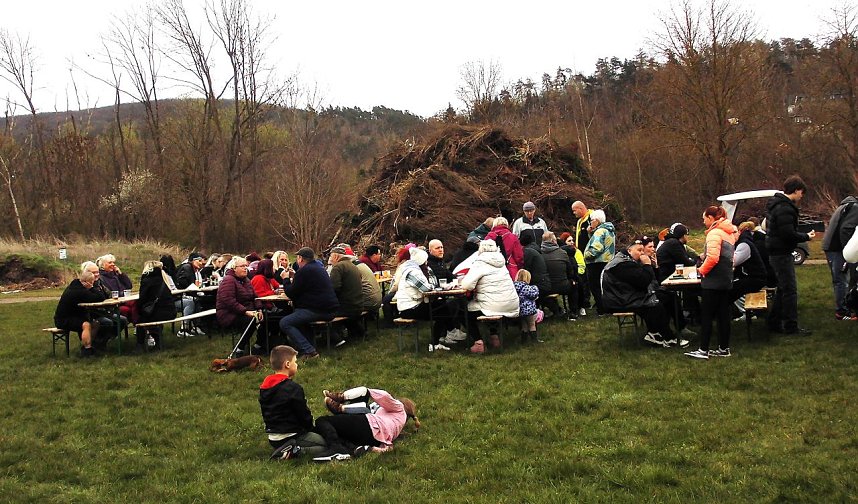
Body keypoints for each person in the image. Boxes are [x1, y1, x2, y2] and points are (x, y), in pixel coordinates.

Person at [602, 238, 677, 347]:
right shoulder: (622, 265)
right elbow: (644, 281)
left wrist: (654, 266)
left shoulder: (629, 261)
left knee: (667, 296)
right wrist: (647, 265)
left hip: (626, 295)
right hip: (619, 300)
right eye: (639, 250)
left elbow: (651, 281)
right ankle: (665, 335)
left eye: (642, 250)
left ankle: (660, 332)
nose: (642, 253)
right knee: (655, 304)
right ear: (629, 251)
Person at [313, 386, 420, 461]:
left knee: (322, 420)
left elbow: (384, 396)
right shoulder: (397, 425)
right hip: (373, 438)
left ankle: (335, 448)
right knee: (340, 430)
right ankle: (350, 449)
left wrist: (369, 391)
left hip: (369, 424)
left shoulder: (399, 408)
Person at [260, 345, 329, 461]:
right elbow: (303, 414)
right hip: (291, 435)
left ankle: (284, 449)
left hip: (274, 437)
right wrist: (310, 428)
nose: (296, 365)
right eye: (295, 362)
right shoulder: (292, 388)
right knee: (326, 444)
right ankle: (293, 451)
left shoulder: (265, 387)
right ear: (287, 364)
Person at [765, 175, 815, 335]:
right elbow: (787, 233)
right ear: (796, 190)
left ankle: (773, 322)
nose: (802, 196)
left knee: (782, 288)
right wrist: (806, 237)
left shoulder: (776, 205)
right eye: (802, 192)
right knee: (790, 290)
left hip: (775, 251)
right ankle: (790, 326)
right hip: (781, 253)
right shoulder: (785, 208)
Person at [685, 206, 736, 360]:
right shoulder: (729, 233)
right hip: (726, 279)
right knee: (723, 315)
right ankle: (723, 348)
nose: (703, 221)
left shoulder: (714, 233)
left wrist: (701, 271)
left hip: (713, 281)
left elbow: (713, 258)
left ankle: (703, 349)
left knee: (707, 315)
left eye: (704, 218)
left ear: (711, 218)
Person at [459, 240, 520, 354]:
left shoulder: (480, 263)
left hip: (493, 305)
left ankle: (478, 342)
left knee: (463, 312)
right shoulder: (501, 263)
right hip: (510, 304)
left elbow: (467, 285)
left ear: (480, 249)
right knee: (488, 306)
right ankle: (494, 336)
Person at [279, 247, 339, 359]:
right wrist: (295, 276)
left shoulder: (305, 271)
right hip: (331, 309)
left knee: (285, 322)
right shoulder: (319, 268)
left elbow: (291, 293)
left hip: (319, 310)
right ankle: (310, 345)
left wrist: (285, 279)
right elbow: (304, 286)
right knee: (299, 313)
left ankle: (309, 351)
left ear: (300, 259)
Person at [394, 247, 455, 352]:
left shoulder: (414, 270)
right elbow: (426, 288)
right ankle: (438, 340)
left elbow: (430, 284)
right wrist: (440, 288)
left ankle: (440, 338)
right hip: (409, 309)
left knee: (441, 307)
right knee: (442, 309)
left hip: (413, 305)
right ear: (422, 261)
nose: (427, 262)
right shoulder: (412, 272)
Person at [655, 223, 699, 336]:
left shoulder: (672, 242)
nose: (687, 238)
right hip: (667, 278)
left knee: (691, 290)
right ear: (682, 235)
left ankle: (695, 317)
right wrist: (697, 262)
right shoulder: (674, 244)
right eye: (687, 235)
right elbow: (686, 262)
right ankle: (683, 325)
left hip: (672, 275)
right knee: (679, 295)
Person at [216, 257, 264, 356]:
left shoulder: (246, 280)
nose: (245, 268)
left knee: (268, 317)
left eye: (246, 266)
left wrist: (259, 309)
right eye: (242, 266)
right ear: (234, 268)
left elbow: (255, 296)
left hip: (247, 311)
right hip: (229, 314)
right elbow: (229, 301)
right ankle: (240, 348)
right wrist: (245, 311)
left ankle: (259, 345)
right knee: (250, 320)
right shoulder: (228, 280)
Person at [821, 195, 858, 320]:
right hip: (836, 248)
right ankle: (842, 312)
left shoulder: (847, 205)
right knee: (841, 280)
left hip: (832, 246)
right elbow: (846, 229)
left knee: (841, 280)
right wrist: (848, 250)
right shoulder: (855, 208)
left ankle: (845, 307)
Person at [54, 269, 104, 357]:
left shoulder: (75, 285)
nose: (92, 284)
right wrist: (92, 288)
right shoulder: (79, 291)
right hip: (63, 319)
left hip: (74, 316)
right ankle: (87, 350)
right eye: (91, 282)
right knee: (86, 325)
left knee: (95, 324)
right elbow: (100, 297)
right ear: (86, 282)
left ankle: (87, 345)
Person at [135, 260, 176, 352]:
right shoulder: (164, 279)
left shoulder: (147, 280)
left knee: (140, 319)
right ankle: (157, 342)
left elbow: (142, 299)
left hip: (158, 313)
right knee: (151, 317)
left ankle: (140, 345)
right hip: (171, 312)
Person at [328, 245, 366, 343]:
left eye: (331, 256)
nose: (330, 259)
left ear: (336, 256)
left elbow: (334, 288)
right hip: (358, 304)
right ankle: (359, 332)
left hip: (347, 307)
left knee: (323, 313)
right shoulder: (353, 266)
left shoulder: (337, 267)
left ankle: (336, 339)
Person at [583, 209, 615, 315]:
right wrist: (590, 232)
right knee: (605, 286)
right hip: (608, 261)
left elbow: (596, 248)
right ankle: (609, 307)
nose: (590, 222)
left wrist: (586, 255)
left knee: (596, 287)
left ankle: (601, 309)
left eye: (591, 220)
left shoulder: (600, 231)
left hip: (597, 263)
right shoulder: (609, 230)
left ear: (596, 220)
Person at [730, 221, 768, 312]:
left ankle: (745, 312)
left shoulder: (744, 244)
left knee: (729, 289)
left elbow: (733, 262)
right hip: (755, 277)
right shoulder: (745, 241)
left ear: (740, 232)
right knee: (730, 287)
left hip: (757, 279)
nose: (731, 235)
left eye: (734, 232)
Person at [540, 231, 576, 319]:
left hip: (547, 287)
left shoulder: (540, 255)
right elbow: (570, 271)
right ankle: (573, 311)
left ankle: (556, 309)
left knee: (539, 293)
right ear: (553, 241)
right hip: (563, 285)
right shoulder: (562, 253)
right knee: (575, 286)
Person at [175, 252, 207, 338]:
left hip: (185, 294)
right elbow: (183, 283)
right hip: (179, 296)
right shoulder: (187, 267)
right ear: (193, 261)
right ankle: (184, 329)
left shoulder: (192, 269)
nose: (201, 263)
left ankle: (196, 326)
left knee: (198, 300)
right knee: (193, 301)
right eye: (199, 261)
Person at [518, 232, 552, 315]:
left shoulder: (527, 252)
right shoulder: (536, 249)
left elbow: (526, 270)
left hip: (538, 283)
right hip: (544, 281)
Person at [571, 200, 593, 311]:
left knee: (590, 279)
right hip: (581, 254)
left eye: (574, 211)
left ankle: (593, 300)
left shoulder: (591, 217)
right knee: (584, 278)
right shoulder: (580, 221)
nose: (573, 213)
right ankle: (586, 300)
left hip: (591, 255)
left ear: (580, 208)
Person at [514, 269, 541, 343]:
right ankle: (534, 340)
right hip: (529, 310)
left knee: (524, 325)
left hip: (520, 310)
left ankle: (524, 341)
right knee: (532, 325)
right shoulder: (528, 288)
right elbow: (534, 294)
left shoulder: (514, 287)